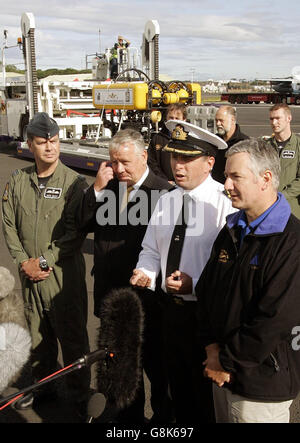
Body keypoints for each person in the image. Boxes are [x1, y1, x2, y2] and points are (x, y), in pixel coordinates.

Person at [130, 120, 235, 423]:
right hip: (169, 316)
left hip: (206, 321)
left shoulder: (225, 205)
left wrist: (196, 284)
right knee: (178, 393)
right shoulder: (167, 200)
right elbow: (151, 249)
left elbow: (230, 271)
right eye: (176, 157)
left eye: (188, 158)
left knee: (208, 402)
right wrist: (146, 274)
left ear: (209, 163)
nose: (179, 165)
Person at [196, 138, 300, 423]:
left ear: (265, 178)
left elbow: (275, 319)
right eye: (226, 176)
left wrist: (225, 361)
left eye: (235, 177)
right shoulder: (230, 230)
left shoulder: (291, 242)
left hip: (261, 386)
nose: (226, 185)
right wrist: (211, 349)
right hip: (221, 373)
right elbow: (206, 292)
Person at [77, 128, 174, 423]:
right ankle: (129, 422)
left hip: (149, 303)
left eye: (125, 162)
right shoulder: (108, 187)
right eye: (113, 162)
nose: (118, 169)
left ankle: (163, 422)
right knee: (120, 373)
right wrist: (96, 188)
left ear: (144, 156)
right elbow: (81, 223)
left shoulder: (163, 193)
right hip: (113, 299)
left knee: (159, 372)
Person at [1, 112, 90, 418]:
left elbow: (74, 233)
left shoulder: (74, 183)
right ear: (30, 144)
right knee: (39, 338)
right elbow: (8, 223)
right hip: (29, 275)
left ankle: (80, 396)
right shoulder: (18, 180)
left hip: (61, 276)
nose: (50, 147)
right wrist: (22, 260)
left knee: (73, 337)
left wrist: (42, 261)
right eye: (42, 142)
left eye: (54, 141)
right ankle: (44, 386)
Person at [264, 103, 300, 219]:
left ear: (289, 118)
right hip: (266, 208)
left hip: (291, 209)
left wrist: (281, 196)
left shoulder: (298, 146)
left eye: (277, 118)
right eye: (271, 119)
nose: (274, 123)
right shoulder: (264, 146)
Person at [147, 103, 187, 182]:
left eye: (177, 118)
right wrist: (164, 181)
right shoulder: (157, 139)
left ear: (184, 119)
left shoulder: (189, 139)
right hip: (162, 185)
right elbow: (151, 163)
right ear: (166, 118)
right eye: (171, 117)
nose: (173, 121)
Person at [213, 105, 249, 184]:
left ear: (232, 120)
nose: (218, 124)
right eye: (216, 120)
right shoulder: (214, 141)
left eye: (221, 120)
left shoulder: (244, 143)